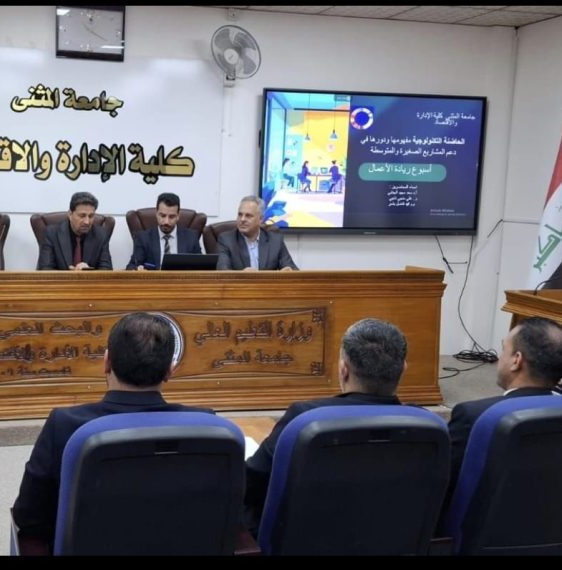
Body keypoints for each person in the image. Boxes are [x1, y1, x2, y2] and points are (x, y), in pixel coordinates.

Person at [12, 312, 214, 552]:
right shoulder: (207, 426)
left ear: (106, 362)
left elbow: (29, 518)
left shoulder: (64, 425)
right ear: (170, 370)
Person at [244, 317, 407, 537]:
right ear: (403, 368)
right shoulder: (430, 427)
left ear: (343, 370)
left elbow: (251, 482)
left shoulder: (305, 419)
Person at [445, 317, 562, 510]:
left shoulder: (474, 415)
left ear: (516, 360)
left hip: (480, 527)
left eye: (503, 350)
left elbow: (445, 485)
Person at [216, 195, 298, 271]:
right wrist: (242, 275)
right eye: (240, 215)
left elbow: (292, 269)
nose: (242, 219)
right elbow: (222, 271)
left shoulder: (275, 241)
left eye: (248, 216)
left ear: (261, 219)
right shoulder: (226, 240)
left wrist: (289, 272)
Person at [37, 191, 112, 270]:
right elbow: (45, 269)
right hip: (62, 278)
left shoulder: (100, 235)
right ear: (70, 214)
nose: (87, 222)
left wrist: (88, 272)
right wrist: (70, 275)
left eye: (91, 216)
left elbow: (107, 269)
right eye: (82, 216)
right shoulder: (52, 234)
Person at [126, 192, 201, 270]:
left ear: (178, 216)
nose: (166, 222)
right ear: (156, 214)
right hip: (154, 278)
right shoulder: (144, 238)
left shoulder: (191, 237)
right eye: (162, 216)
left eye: (171, 217)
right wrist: (137, 269)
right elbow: (131, 266)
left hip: (182, 278)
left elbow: (201, 267)